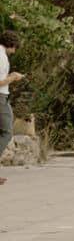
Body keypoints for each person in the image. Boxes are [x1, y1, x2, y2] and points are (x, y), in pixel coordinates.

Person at [0, 31, 24, 185]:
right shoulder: (1, 57)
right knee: (6, 132)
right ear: (11, 45)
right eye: (14, 48)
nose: (14, 52)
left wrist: (10, 75)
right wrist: (14, 78)